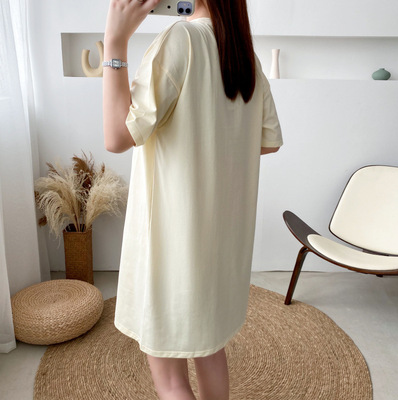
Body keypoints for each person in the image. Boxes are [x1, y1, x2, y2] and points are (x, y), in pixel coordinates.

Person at [103, 0, 283, 398]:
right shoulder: (244, 56)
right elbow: (268, 141)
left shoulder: (180, 39)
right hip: (220, 249)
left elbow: (116, 136)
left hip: (172, 250)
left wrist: (115, 43)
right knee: (210, 347)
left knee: (171, 382)